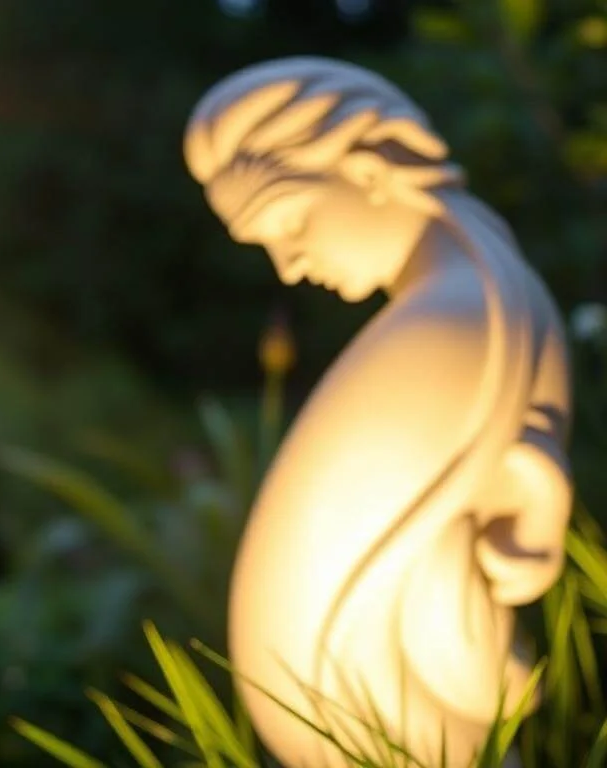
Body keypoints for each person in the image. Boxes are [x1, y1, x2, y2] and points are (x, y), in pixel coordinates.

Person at [184, 57, 572, 768]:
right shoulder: (491, 301)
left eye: (289, 220)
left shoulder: (448, 328)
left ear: (366, 168)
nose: (290, 265)